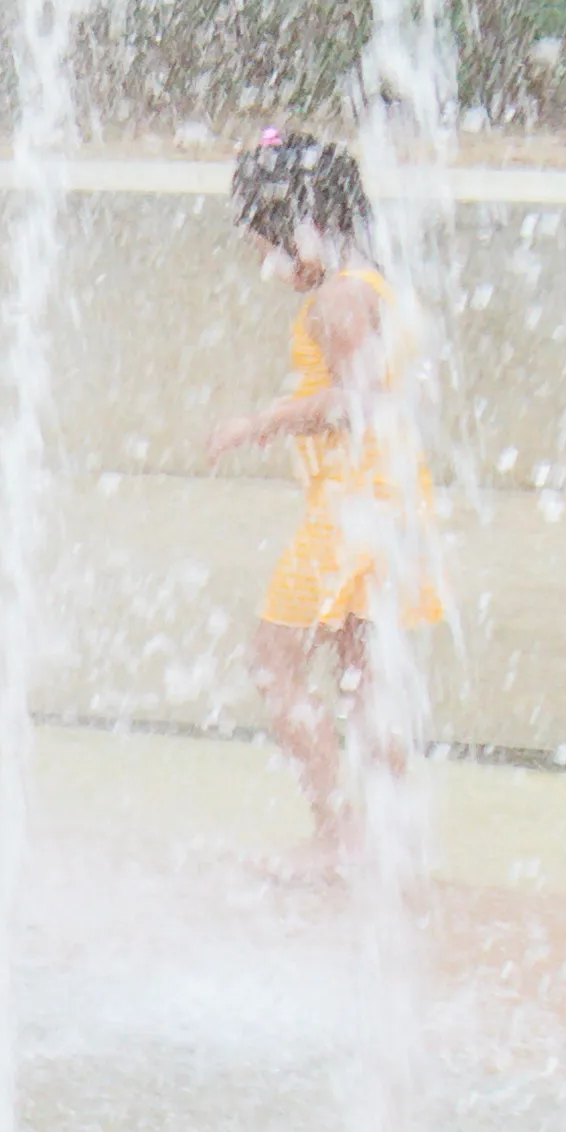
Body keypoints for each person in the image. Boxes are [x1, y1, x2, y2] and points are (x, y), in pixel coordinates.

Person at [199, 127, 442, 882]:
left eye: (267, 244)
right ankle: (391, 838)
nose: (268, 264)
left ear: (302, 227)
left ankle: (338, 834)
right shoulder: (374, 283)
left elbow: (357, 398)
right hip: (389, 502)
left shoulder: (337, 298)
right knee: (365, 676)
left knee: (273, 664)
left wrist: (261, 422)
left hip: (349, 511)